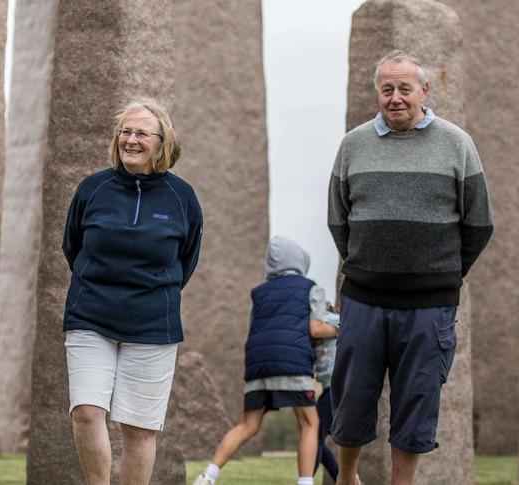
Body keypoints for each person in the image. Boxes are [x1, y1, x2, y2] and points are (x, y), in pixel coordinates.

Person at [326, 49, 493, 485]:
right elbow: (338, 218)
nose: (395, 97)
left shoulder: (457, 143)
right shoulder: (353, 144)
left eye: (404, 88)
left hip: (429, 306)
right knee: (351, 398)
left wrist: (442, 274)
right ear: (377, 93)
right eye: (387, 89)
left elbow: (479, 223)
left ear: (424, 89)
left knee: (416, 404)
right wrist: (369, 265)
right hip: (363, 299)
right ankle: (347, 477)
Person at [61, 97, 203, 485]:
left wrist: (151, 292)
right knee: (87, 412)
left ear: (162, 141)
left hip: (153, 326)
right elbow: (73, 246)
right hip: (90, 317)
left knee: (138, 428)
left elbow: (185, 260)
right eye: (125, 131)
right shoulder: (93, 188)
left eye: (142, 133)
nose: (131, 140)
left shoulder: (182, 197)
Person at [192, 236, 339, 485]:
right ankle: (305, 483)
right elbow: (315, 328)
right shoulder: (309, 287)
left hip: (257, 366)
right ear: (300, 261)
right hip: (292, 363)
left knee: (248, 425)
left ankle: (208, 476)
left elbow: (253, 328)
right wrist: (340, 328)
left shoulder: (259, 293)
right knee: (310, 423)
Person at [312, 308, 339, 483]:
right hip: (329, 389)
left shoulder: (334, 320)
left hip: (338, 388)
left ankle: (305, 479)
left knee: (314, 437)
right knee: (316, 436)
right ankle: (343, 479)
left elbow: (315, 329)